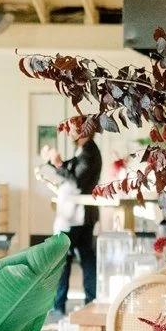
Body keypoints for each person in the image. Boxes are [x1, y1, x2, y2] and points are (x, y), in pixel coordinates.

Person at [52, 134, 102, 314]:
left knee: (62, 258)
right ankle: (90, 301)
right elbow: (71, 168)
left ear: (85, 132)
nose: (70, 133)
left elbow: (76, 181)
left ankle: (59, 305)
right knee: (85, 258)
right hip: (79, 215)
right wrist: (56, 162)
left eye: (74, 130)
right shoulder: (84, 151)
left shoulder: (89, 152)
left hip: (78, 216)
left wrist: (58, 164)